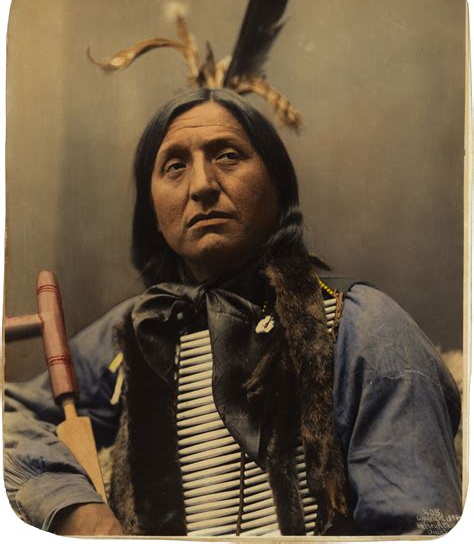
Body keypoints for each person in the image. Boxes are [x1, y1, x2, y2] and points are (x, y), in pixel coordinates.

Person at [4, 88, 462, 537]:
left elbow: (422, 528)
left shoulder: (363, 326)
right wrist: (79, 514)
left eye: (227, 156)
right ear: (154, 212)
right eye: (175, 166)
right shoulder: (141, 329)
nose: (201, 185)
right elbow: (10, 417)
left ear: (278, 186)